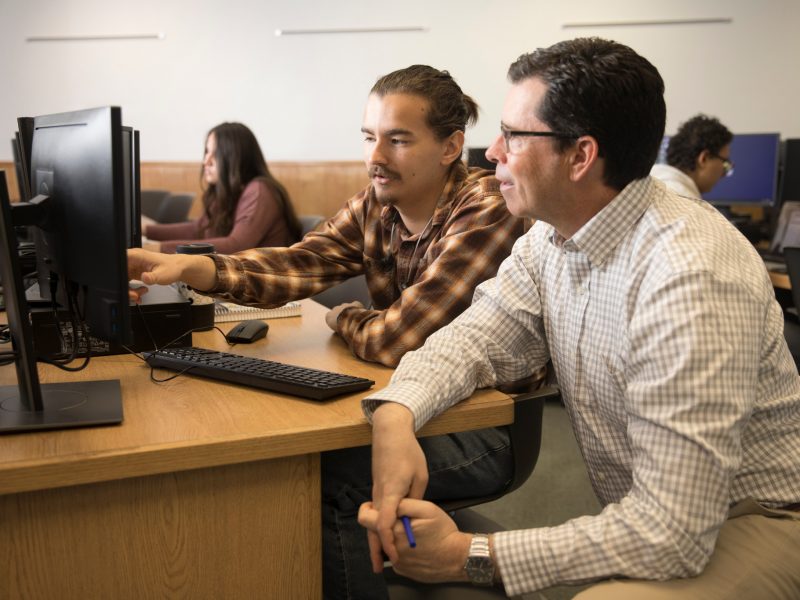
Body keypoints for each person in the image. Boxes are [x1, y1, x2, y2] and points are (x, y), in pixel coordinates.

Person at [358, 38, 800, 598]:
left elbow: (673, 532)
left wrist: (465, 557)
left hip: (756, 519)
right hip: (661, 518)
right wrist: (396, 413)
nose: (491, 151)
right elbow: (474, 340)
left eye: (513, 135)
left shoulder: (690, 276)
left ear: (580, 156)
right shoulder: (551, 237)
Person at [128, 64, 527, 599]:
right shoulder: (375, 205)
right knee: (275, 458)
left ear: (451, 146)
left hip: (484, 426)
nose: (375, 157)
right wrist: (188, 268)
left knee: (325, 477)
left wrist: (346, 319)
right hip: (408, 405)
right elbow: (297, 265)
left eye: (398, 140)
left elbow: (398, 340)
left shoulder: (485, 207)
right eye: (369, 137)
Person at [143, 122, 302, 253]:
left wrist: (158, 248)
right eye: (206, 152)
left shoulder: (259, 190)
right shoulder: (229, 192)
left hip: (262, 288)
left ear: (235, 158)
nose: (206, 162)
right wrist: (145, 231)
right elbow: (198, 229)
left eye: (215, 154)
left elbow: (236, 245)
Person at [650, 114, 733, 199]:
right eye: (724, 163)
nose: (723, 173)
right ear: (704, 158)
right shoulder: (688, 204)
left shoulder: (650, 185)